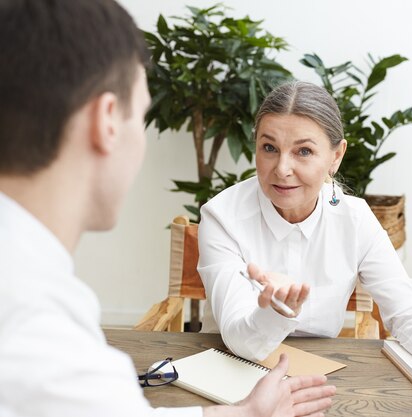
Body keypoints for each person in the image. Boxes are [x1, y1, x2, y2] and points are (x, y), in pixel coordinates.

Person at [0, 1, 336, 416]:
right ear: (106, 121)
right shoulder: (39, 320)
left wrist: (248, 412)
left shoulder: (26, 285)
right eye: (140, 116)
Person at [197, 81, 412, 402]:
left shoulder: (355, 220)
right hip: (233, 382)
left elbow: (406, 310)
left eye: (304, 151)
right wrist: (277, 312)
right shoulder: (223, 217)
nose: (282, 169)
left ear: (336, 156)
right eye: (269, 148)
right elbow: (239, 340)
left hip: (323, 384)